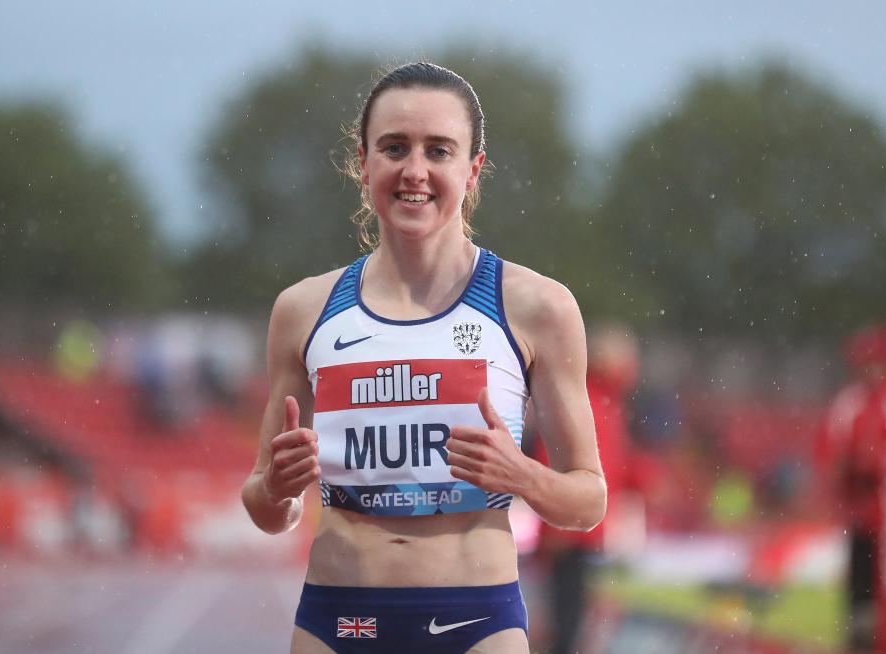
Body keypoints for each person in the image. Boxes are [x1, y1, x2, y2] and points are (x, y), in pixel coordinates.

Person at [240, 62, 607, 654]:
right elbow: (264, 505)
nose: (415, 171)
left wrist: (522, 475)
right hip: (338, 620)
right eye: (394, 148)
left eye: (439, 150)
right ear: (363, 163)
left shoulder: (539, 308)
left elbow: (589, 501)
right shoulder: (303, 310)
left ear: (472, 169)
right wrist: (278, 490)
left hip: (476, 620)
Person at [532, 324, 641, 654]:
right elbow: (555, 460)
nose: (635, 369)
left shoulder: (604, 403)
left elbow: (612, 465)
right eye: (628, 360)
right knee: (565, 626)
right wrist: (556, 521)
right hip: (573, 530)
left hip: (581, 528)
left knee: (572, 622)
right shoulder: (589, 402)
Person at [817, 322, 886, 653]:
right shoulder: (850, 404)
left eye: (875, 362)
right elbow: (830, 456)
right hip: (862, 521)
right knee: (861, 599)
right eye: (864, 363)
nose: (868, 370)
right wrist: (854, 471)